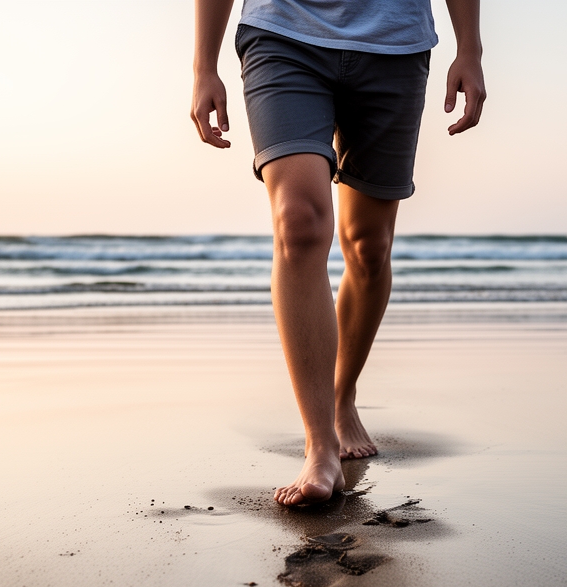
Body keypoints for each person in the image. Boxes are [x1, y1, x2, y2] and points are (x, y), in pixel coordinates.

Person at [192, 0, 485, 506]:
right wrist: (204, 65)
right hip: (282, 35)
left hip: (394, 44)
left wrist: (470, 49)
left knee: (370, 248)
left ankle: (342, 393)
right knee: (299, 223)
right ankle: (319, 444)